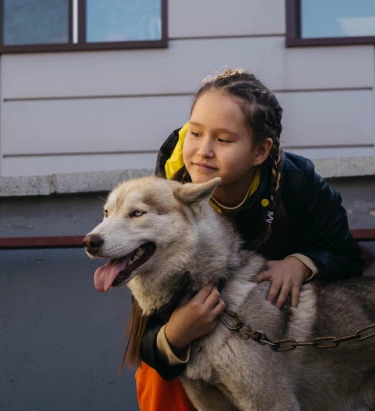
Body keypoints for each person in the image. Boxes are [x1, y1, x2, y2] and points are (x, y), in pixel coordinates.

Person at [134, 68, 363, 411]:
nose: (203, 150)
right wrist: (173, 336)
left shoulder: (299, 183)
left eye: (223, 140)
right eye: (194, 133)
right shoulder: (166, 195)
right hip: (204, 334)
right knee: (159, 374)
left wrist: (302, 263)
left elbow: (347, 254)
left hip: (282, 334)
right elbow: (148, 318)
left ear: (260, 151)